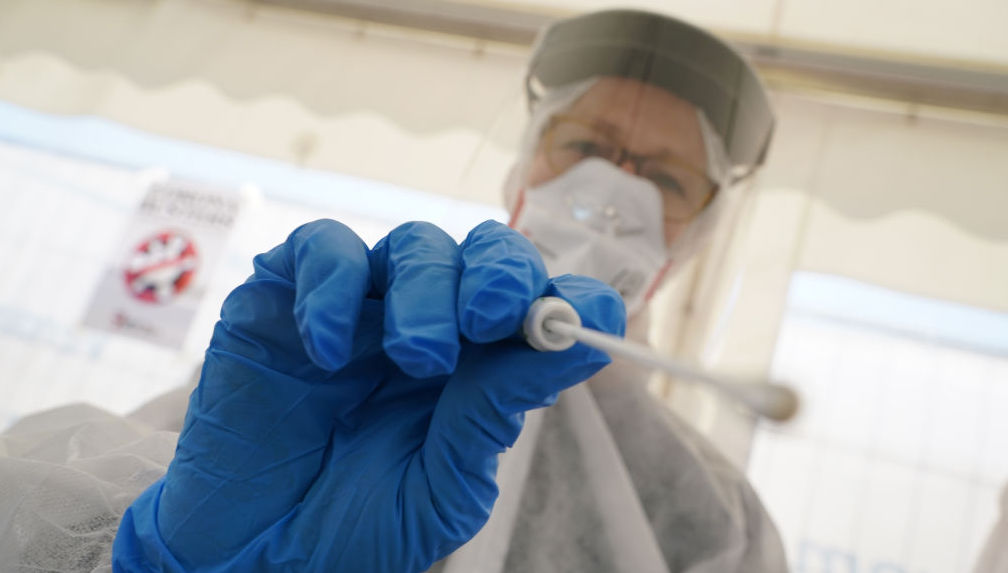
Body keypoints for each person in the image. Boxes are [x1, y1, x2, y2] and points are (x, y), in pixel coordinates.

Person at [0, 9, 787, 573]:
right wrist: (168, 556)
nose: (612, 194)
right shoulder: (344, 362)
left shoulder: (717, 522)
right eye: (586, 145)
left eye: (663, 179)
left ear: (695, 237)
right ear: (523, 170)